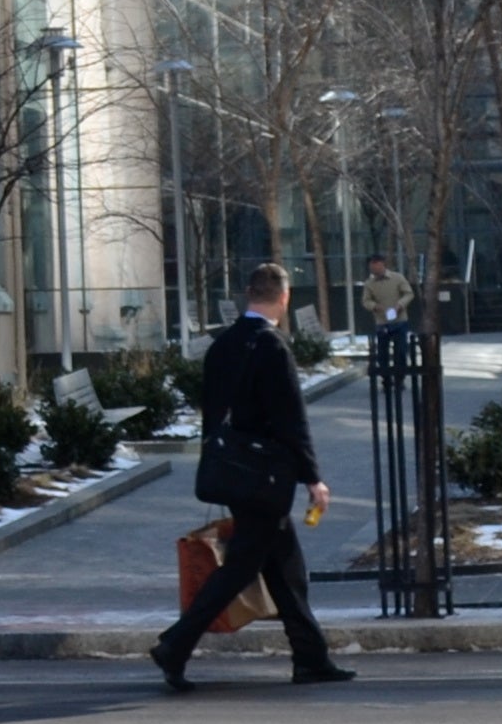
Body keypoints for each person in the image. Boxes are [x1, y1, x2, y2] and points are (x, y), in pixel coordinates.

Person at [153, 262, 359, 692]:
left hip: (235, 474)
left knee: (287, 570)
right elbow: (290, 420)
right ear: (283, 299)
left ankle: (310, 657)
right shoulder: (272, 347)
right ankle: (175, 644)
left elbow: (211, 413)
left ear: (250, 296)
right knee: (242, 566)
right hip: (266, 479)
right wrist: (313, 478)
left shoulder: (222, 345)